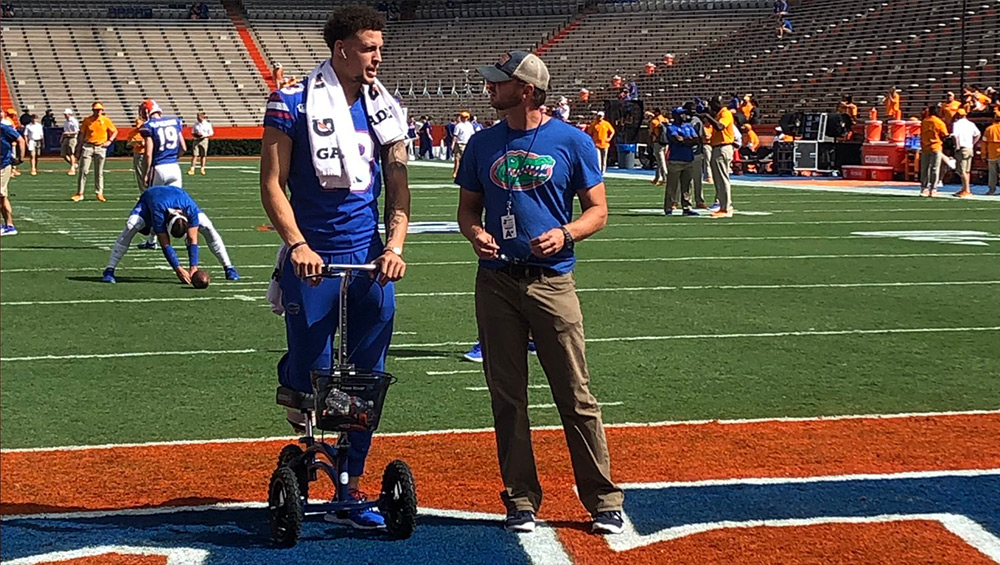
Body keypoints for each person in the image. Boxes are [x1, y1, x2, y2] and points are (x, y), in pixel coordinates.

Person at [456, 49, 625, 535]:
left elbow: (598, 210)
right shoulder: (483, 143)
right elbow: (468, 210)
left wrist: (567, 233)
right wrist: (474, 234)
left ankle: (602, 499)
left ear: (526, 89)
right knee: (506, 396)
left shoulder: (572, 141)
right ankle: (521, 499)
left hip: (552, 282)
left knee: (575, 394)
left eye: (498, 82)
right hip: (496, 283)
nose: (489, 89)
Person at [259, 4, 410, 530]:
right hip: (312, 261)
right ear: (341, 48)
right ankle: (295, 392)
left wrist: (395, 245)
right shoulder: (291, 101)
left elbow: (398, 186)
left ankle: (350, 480)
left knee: (366, 377)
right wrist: (297, 243)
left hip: (369, 259)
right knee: (314, 368)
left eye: (380, 48)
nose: (377, 57)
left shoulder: (386, 108)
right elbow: (272, 183)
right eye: (369, 48)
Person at [102, 185, 240, 283]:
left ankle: (229, 268)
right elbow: (165, 244)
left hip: (179, 198)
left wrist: (194, 267)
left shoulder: (190, 209)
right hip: (150, 200)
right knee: (131, 226)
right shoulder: (159, 212)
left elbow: (193, 239)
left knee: (209, 228)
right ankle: (109, 269)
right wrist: (178, 269)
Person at [73, 101, 117, 202]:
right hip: (88, 146)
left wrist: (109, 141)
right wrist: (79, 147)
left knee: (99, 172)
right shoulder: (87, 120)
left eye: (100, 110)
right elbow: (82, 134)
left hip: (100, 147)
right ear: (93, 110)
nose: (98, 112)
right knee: (83, 170)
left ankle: (99, 192)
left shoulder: (106, 120)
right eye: (96, 110)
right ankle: (80, 193)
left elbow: (114, 131)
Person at [701, 95, 736, 218]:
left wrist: (708, 116)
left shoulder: (725, 114)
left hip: (723, 147)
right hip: (717, 147)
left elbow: (720, 126)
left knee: (722, 178)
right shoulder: (719, 114)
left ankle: (726, 208)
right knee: (718, 179)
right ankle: (722, 206)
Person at [139, 99, 186, 189]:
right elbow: (183, 147)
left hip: (158, 167)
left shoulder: (148, 126)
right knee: (174, 200)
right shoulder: (175, 122)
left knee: (154, 200)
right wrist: (171, 158)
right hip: (174, 167)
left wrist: (145, 173)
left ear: (146, 111)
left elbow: (148, 154)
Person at [663, 107, 700, 216]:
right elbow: (677, 140)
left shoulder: (688, 126)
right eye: (682, 114)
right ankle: (669, 207)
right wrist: (688, 140)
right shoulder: (671, 127)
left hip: (688, 159)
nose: (684, 116)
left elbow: (696, 140)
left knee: (687, 185)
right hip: (675, 159)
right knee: (672, 186)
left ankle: (687, 207)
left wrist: (685, 140)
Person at [1, 119, 25, 236]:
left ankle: (9, 225)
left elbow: (20, 140)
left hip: (2, 165)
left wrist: (20, 158)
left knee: (1, 195)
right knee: (2, 197)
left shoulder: (4, 129)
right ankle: (7, 225)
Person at [950, 108, 981, 198]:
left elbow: (955, 136)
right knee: (967, 170)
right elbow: (978, 134)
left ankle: (966, 190)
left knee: (962, 170)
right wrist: (972, 143)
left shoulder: (956, 124)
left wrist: (957, 147)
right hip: (969, 148)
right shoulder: (971, 124)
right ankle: (965, 188)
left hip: (962, 148)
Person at [919, 104, 948, 197]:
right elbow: (945, 134)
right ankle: (933, 188)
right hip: (936, 146)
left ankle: (924, 188)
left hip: (925, 147)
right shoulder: (939, 122)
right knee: (935, 168)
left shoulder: (924, 121)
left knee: (925, 168)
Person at [684, 101, 708, 209]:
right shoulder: (682, 121)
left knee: (697, 178)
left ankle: (699, 200)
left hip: (695, 152)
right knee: (685, 179)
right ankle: (685, 200)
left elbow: (699, 137)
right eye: (691, 108)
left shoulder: (697, 121)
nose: (693, 110)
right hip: (684, 152)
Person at [124, 116, 149, 194]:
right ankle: (143, 192)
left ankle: (150, 191)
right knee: (140, 175)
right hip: (137, 154)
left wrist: (144, 143)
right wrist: (134, 143)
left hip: (146, 154)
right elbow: (128, 144)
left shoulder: (147, 131)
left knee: (149, 173)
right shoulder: (133, 133)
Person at [452, 111, 474, 179]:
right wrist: (453, 144)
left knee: (465, 160)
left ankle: (465, 173)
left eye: (466, 117)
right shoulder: (458, 126)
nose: (464, 119)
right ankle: (456, 172)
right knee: (457, 159)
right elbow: (455, 136)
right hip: (459, 143)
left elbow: (472, 134)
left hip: (467, 143)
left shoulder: (469, 125)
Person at [647, 109, 667, 186]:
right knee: (661, 161)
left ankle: (665, 178)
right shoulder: (666, 120)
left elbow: (650, 132)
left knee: (661, 162)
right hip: (666, 143)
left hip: (658, 142)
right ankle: (657, 177)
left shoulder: (654, 122)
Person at [983, 112, 1000, 195]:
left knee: (992, 174)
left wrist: (983, 154)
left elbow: (984, 143)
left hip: (992, 154)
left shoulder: (989, 129)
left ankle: (991, 190)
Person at [60, 109, 79, 175]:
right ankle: (73, 164)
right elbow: (64, 132)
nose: (65, 115)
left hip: (72, 138)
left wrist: (68, 133)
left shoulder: (73, 121)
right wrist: (62, 138)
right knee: (63, 154)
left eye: (66, 114)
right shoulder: (66, 122)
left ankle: (72, 168)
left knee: (71, 153)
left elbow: (76, 131)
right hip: (66, 138)